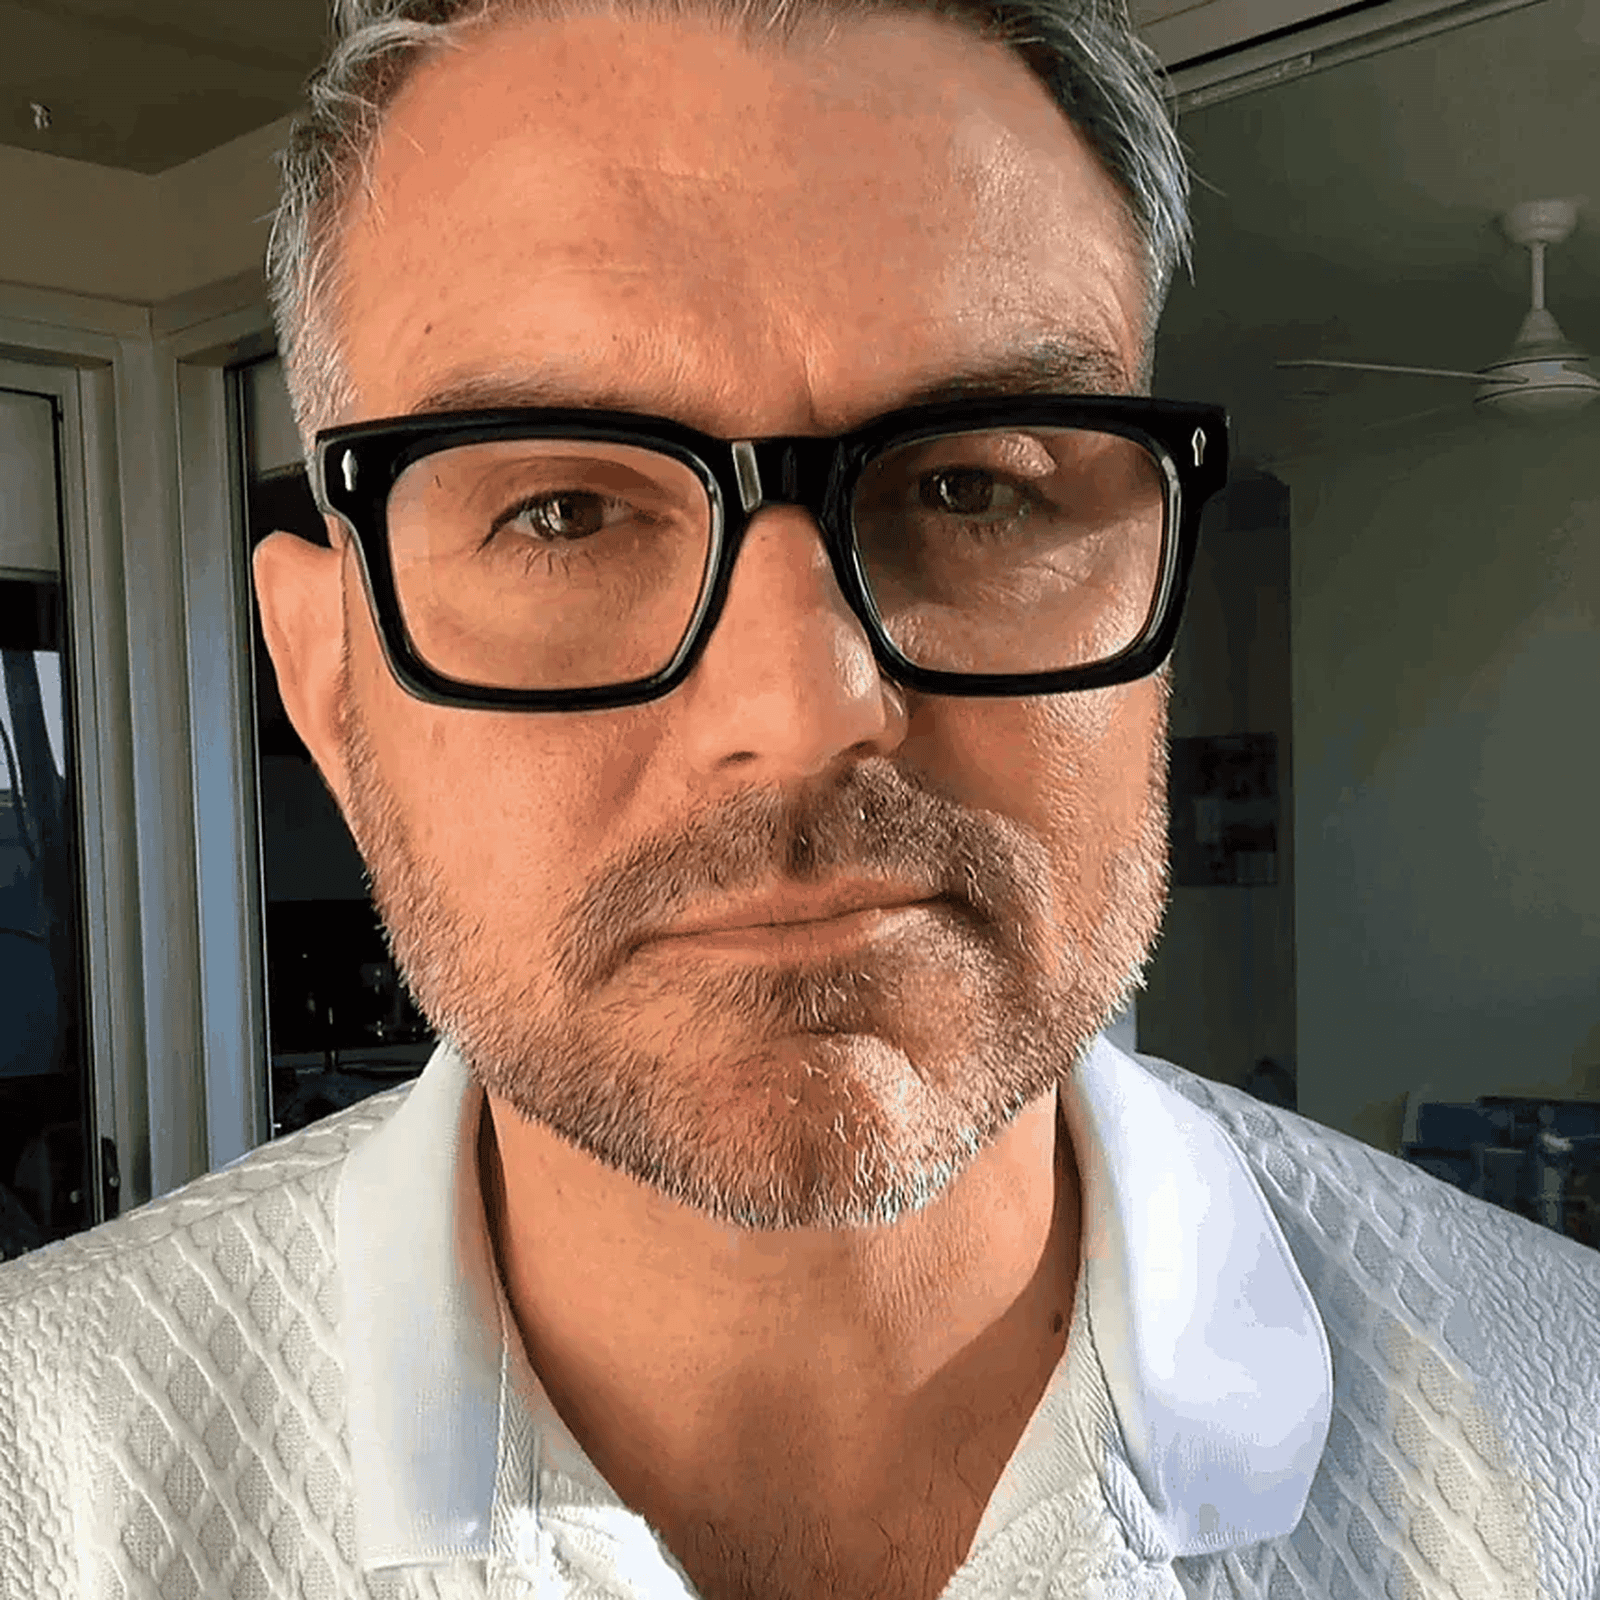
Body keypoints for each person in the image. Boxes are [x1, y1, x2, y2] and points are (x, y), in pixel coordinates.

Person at [2, 0, 1597, 1595]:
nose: (805, 708)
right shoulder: (45, 1476)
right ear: (331, 684)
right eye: (561, 511)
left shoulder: (1564, 1431)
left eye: (974, 486)